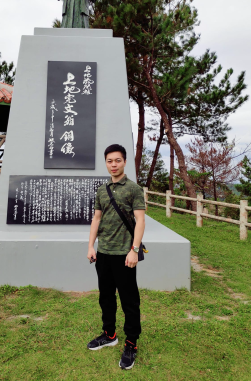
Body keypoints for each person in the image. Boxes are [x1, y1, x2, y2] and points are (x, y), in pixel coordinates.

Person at [87, 144, 146, 370]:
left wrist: (134, 249)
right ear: (106, 163)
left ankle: (131, 343)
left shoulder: (133, 189)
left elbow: (140, 220)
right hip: (103, 253)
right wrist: (91, 246)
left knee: (129, 301)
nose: (114, 164)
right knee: (106, 297)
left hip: (125, 255)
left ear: (124, 162)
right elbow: (96, 219)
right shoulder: (102, 190)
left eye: (118, 160)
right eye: (110, 161)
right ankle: (109, 334)